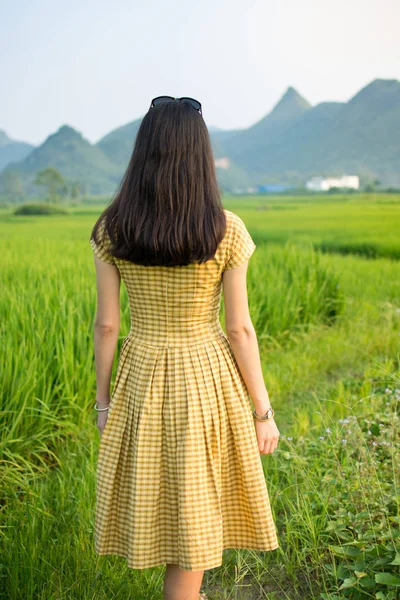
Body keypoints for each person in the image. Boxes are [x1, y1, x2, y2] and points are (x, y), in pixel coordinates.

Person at [89, 96, 280, 600]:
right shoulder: (225, 227)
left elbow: (108, 325)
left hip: (141, 373)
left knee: (163, 500)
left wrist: (103, 402)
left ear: (143, 150)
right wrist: (263, 411)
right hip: (206, 376)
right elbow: (240, 329)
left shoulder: (112, 227)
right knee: (193, 512)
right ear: (200, 153)